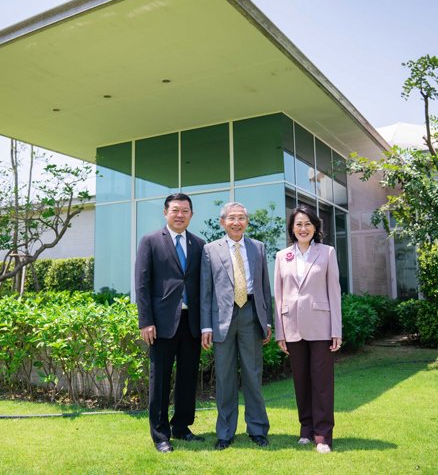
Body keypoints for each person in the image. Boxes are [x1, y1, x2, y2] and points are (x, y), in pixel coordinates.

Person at [135, 193, 206, 453]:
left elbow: (203, 287)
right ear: (166, 212)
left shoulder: (199, 244)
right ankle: (160, 435)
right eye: (175, 210)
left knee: (188, 378)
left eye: (185, 211)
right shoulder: (150, 241)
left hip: (191, 322)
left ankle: (182, 427)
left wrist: (205, 324)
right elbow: (142, 284)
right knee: (160, 380)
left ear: (191, 214)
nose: (180, 215)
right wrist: (146, 321)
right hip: (161, 323)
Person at [200, 202, 272, 451]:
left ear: (247, 222)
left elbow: (264, 287)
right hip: (222, 319)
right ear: (223, 222)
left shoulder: (258, 248)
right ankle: (225, 432)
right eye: (232, 218)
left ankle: (257, 429)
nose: (237, 222)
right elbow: (205, 291)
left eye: (241, 217)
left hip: (251, 314)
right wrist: (205, 327)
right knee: (225, 378)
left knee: (253, 375)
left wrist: (267, 320)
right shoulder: (210, 250)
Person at [273, 206, 343, 454]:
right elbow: (279, 296)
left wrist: (337, 329)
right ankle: (306, 430)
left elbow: (334, 292)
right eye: (298, 224)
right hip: (292, 326)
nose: (303, 229)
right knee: (301, 381)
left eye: (307, 224)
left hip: (321, 326)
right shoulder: (282, 256)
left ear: (315, 227)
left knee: (322, 383)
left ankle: (323, 434)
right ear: (292, 228)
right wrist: (280, 332)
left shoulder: (327, 252)